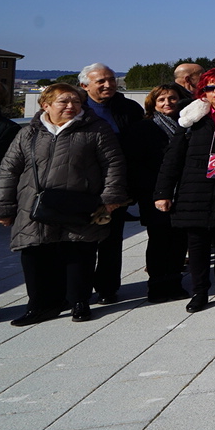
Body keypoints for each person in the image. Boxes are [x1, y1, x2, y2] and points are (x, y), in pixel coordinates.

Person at [0, 83, 129, 324]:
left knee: (79, 253)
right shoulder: (29, 132)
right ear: (45, 105)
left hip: (79, 203)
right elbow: (9, 170)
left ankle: (79, 302)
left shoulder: (96, 129)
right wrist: (4, 207)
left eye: (76, 101)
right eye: (64, 101)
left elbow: (113, 164)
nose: (71, 106)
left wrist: (111, 197)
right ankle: (40, 306)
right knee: (35, 254)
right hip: (33, 205)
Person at [154, 68, 215, 312]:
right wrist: (163, 192)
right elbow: (173, 158)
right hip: (193, 187)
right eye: (209, 87)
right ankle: (200, 291)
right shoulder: (191, 118)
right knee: (197, 244)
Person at [76, 64, 146, 305]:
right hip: (82, 187)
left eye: (112, 80)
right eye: (101, 81)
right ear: (85, 86)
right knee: (80, 242)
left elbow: (138, 148)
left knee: (111, 240)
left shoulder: (129, 109)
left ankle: (107, 288)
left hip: (116, 185)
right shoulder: (76, 109)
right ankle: (78, 291)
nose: (108, 85)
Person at [138, 84, 189, 302]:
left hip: (184, 191)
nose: (167, 103)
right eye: (161, 100)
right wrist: (158, 191)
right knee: (159, 240)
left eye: (172, 98)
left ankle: (175, 283)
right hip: (154, 192)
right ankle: (157, 286)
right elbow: (137, 163)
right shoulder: (144, 128)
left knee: (179, 241)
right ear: (153, 104)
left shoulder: (188, 125)